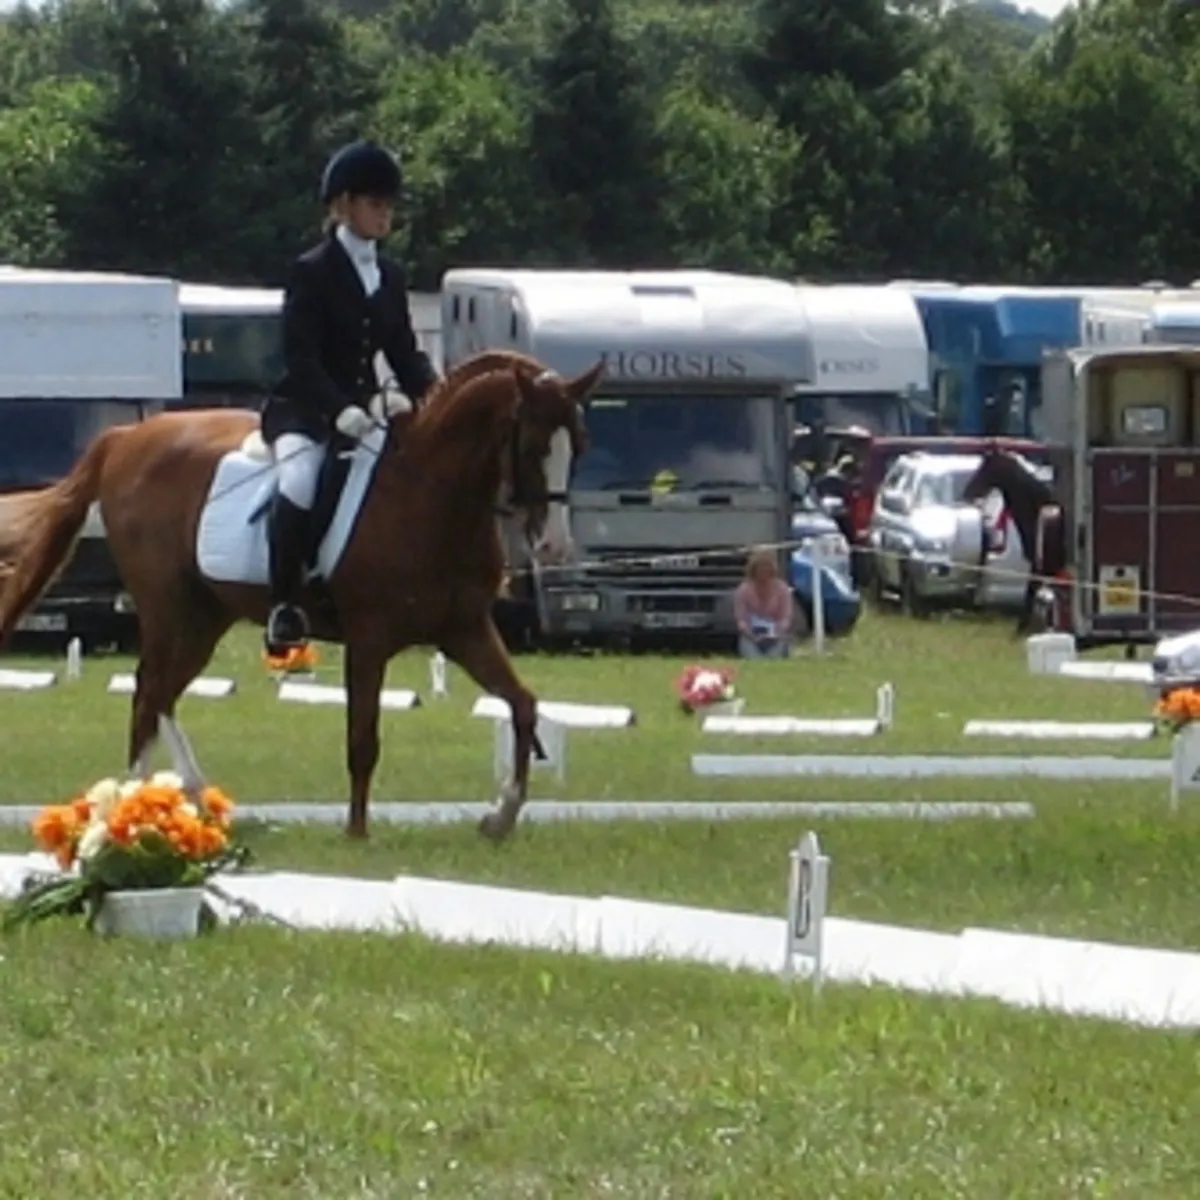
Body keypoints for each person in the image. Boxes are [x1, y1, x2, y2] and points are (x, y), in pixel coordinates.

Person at [260, 139, 440, 656]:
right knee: (298, 481)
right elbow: (301, 357)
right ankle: (284, 605)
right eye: (374, 204)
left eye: (388, 205)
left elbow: (404, 355)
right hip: (305, 411)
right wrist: (339, 408)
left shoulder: (391, 275)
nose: (385, 214)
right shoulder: (311, 270)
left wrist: (437, 403)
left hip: (364, 413)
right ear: (343, 206)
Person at [733, 549, 795, 659]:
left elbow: (786, 618)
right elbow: (741, 620)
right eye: (760, 568)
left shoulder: (782, 589)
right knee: (753, 657)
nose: (764, 571)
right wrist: (751, 635)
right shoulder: (743, 590)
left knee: (774, 655)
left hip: (776, 635)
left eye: (767, 568)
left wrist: (775, 633)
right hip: (751, 636)